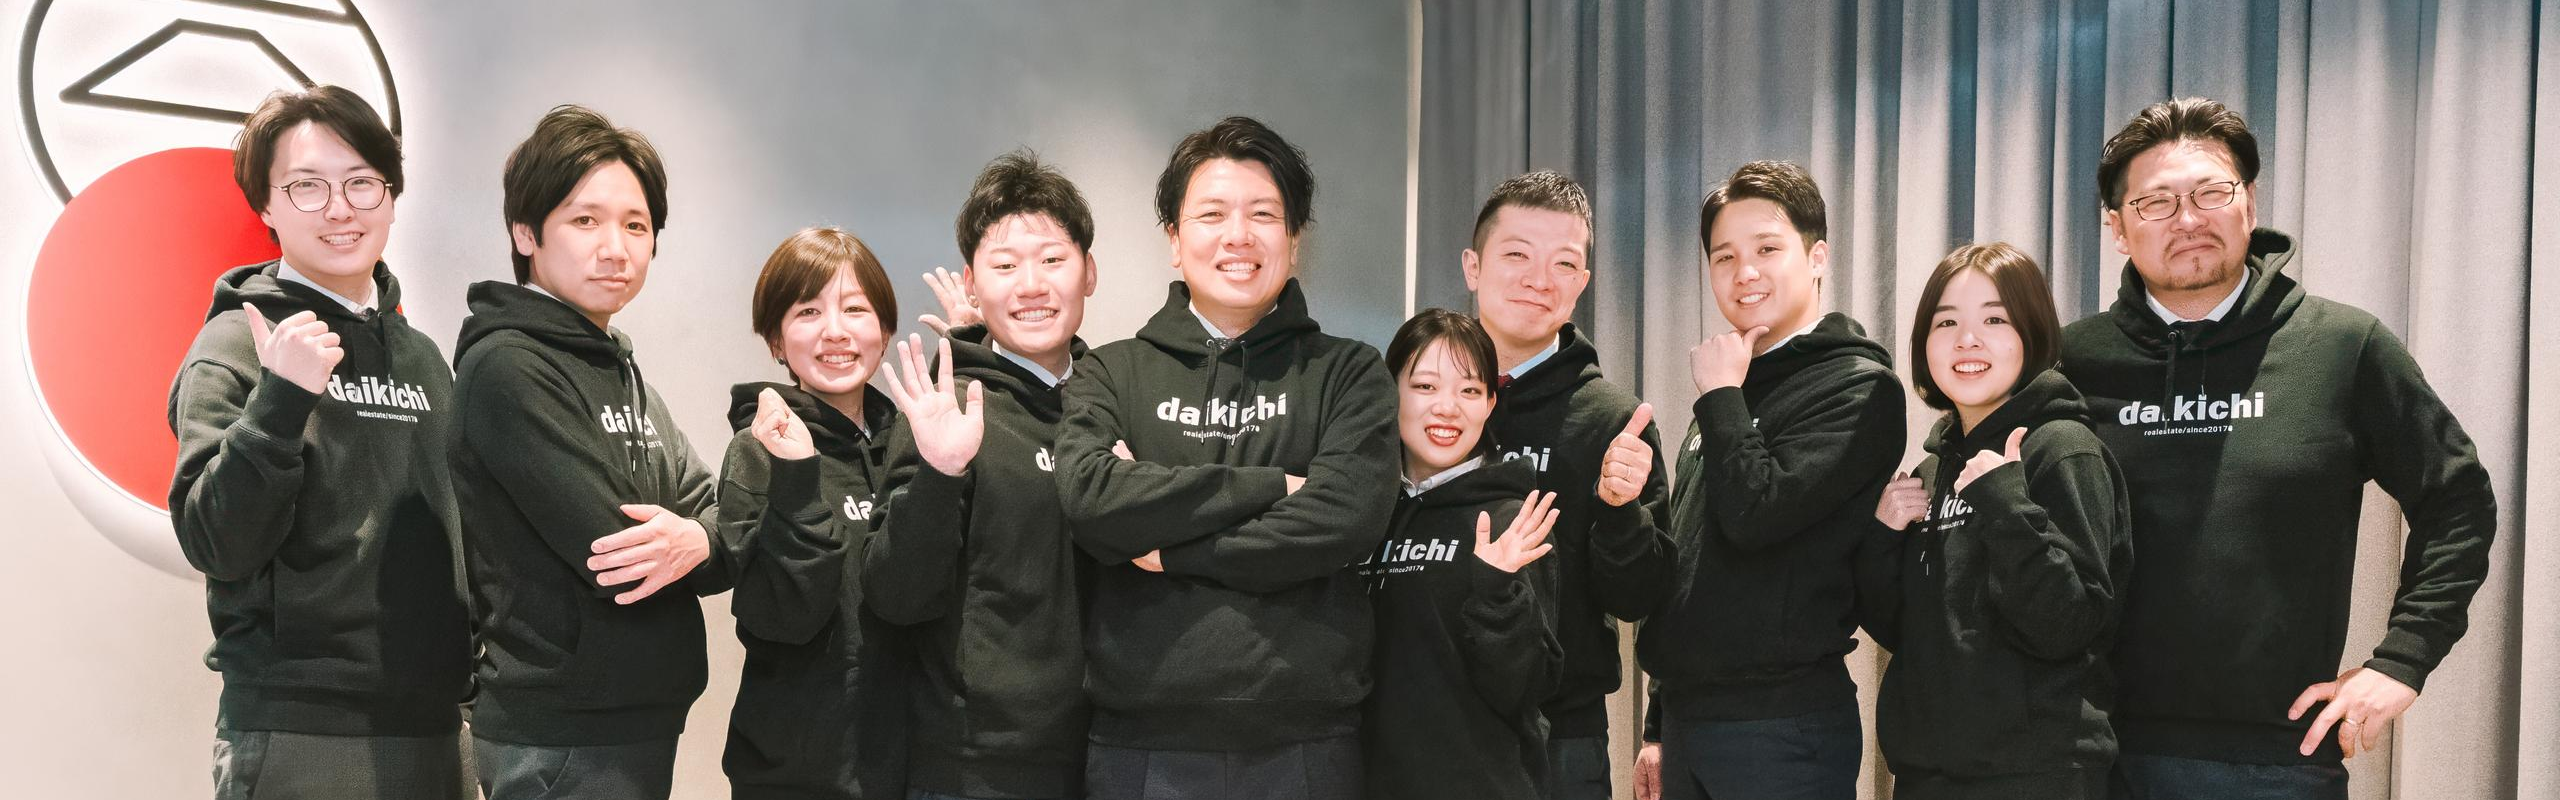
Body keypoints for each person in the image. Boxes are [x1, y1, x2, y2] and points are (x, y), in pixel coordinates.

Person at [2062, 97, 2498, 799]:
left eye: (2211, 192)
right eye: (2157, 202)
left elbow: (2458, 500)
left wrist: (2403, 660)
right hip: (2094, 757)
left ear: (2250, 202)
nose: (2189, 219)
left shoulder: (2343, 347)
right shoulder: (2070, 363)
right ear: (2117, 227)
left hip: (2279, 762)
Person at [1053, 116, 1398, 800]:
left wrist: (1172, 548)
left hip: (1306, 745)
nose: (1238, 236)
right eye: (1212, 214)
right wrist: (1276, 486)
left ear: (1295, 239)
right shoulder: (1110, 373)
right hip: (1140, 747)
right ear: (1174, 241)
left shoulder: (1349, 372)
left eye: (1263, 214)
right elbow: (1093, 501)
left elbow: (1346, 517)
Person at [167, 84, 471, 800]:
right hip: (302, 731)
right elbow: (215, 541)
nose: (340, 209)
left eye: (362, 183)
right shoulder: (235, 345)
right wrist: (280, 400)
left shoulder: (424, 359)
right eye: (307, 186)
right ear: (266, 206)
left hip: (437, 728)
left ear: (391, 197)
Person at [449, 105, 725, 800]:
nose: (615, 249)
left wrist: (698, 538)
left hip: (632, 723)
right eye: (585, 220)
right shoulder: (508, 367)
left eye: (636, 226)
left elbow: (722, 515)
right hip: (558, 736)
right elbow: (617, 553)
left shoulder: (620, 369)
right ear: (525, 232)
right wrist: (700, 537)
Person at [1636, 160, 1907, 800]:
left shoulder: (1859, 388)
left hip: (1781, 725)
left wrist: (1721, 396)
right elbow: (1689, 562)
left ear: (1817, 258)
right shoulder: (1729, 386)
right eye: (1724, 257)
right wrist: (1657, 721)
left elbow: (1755, 515)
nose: (1744, 273)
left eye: (1766, 249)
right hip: (1690, 720)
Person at [861, 150, 1101, 800]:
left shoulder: (1113, 402)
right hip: (975, 766)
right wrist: (940, 472)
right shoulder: (947, 404)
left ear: (1089, 273)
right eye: (1005, 265)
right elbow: (895, 596)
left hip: (1112, 755)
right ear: (972, 282)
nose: (1032, 285)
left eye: (1052, 260)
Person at [1862, 242, 2132, 799]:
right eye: (1946, 322)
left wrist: (2006, 503)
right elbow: (1906, 630)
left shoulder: (2063, 449)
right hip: (1928, 775)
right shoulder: (1933, 469)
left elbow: (2066, 625)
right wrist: (1884, 538)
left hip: (2035, 775)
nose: (1967, 340)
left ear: (2031, 334)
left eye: (1994, 319)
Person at [1457, 171, 1670, 800]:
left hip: (1560, 737)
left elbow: (1640, 597)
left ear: (1582, 282)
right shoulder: (1418, 402)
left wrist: (1619, 509)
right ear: (1473, 266)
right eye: (1517, 255)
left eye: (1564, 263)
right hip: (1424, 719)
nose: (1539, 279)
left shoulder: (1615, 420)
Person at [716, 226, 910, 799]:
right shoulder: (758, 451)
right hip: (794, 775)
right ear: (776, 340)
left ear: (885, 330)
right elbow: (783, 620)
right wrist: (798, 477)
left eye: (856, 309)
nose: (835, 331)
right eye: (808, 311)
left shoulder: (911, 444)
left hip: (910, 768)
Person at [1359, 308, 1564, 800]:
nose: (1447, 408)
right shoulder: (1362, 513)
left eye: (1469, 390)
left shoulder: (1511, 520)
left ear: (1491, 403)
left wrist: (1496, 590)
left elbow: (1526, 688)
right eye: (1425, 386)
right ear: (1390, 392)